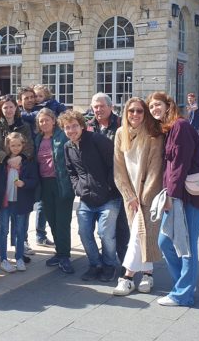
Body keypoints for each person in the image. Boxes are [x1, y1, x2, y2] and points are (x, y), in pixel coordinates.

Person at [148, 91, 199, 307]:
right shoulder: (170, 128)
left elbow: (179, 166)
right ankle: (184, 285)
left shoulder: (180, 126)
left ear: (168, 105)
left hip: (189, 196)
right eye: (151, 107)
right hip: (179, 194)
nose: (154, 109)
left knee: (187, 246)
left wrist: (171, 197)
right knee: (165, 242)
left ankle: (182, 294)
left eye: (157, 105)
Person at [111, 97, 165, 296]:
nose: (135, 115)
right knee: (142, 235)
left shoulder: (154, 135)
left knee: (138, 233)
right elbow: (119, 168)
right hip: (130, 195)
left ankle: (126, 277)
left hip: (149, 195)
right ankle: (148, 274)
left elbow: (155, 169)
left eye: (140, 111)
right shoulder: (120, 134)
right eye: (131, 111)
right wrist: (128, 195)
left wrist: (144, 198)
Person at [61, 110, 122, 283]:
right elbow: (71, 171)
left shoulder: (97, 140)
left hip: (109, 197)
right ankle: (95, 264)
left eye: (74, 126)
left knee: (105, 234)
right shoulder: (68, 147)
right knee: (84, 233)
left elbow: (115, 164)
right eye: (67, 127)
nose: (71, 130)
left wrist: (109, 187)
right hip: (86, 198)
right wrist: (78, 188)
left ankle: (110, 265)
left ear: (82, 126)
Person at [0, 95, 35, 267]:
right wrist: (7, 159)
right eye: (5, 107)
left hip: (19, 172)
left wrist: (19, 157)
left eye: (11, 107)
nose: (8, 110)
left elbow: (29, 147)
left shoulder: (24, 126)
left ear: (16, 108)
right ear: (0, 108)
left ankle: (18, 250)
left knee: (18, 216)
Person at [84, 92, 129, 276]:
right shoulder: (88, 127)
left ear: (111, 107)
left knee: (121, 228)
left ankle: (126, 264)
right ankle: (101, 263)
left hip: (118, 185)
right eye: (95, 106)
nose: (98, 109)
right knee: (97, 230)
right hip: (95, 186)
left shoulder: (121, 125)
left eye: (102, 106)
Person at [0, 132, 39, 273]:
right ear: (8, 146)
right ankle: (4, 259)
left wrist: (24, 183)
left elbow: (35, 180)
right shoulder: (2, 163)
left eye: (18, 145)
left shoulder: (28, 162)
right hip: (5, 203)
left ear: (23, 145)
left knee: (20, 231)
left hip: (21, 203)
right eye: (12, 145)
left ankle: (19, 258)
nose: (15, 148)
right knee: (3, 230)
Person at [34, 108, 76, 274]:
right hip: (45, 184)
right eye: (41, 121)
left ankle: (65, 255)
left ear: (53, 120)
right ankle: (59, 252)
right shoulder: (37, 139)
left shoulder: (62, 136)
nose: (44, 123)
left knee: (63, 221)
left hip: (62, 183)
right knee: (51, 219)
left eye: (47, 120)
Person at [19, 86, 55, 248]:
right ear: (20, 101)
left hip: (39, 162)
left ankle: (40, 235)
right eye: (26, 98)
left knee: (42, 202)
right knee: (25, 204)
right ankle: (23, 239)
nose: (31, 100)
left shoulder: (41, 112)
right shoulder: (20, 115)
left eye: (33, 97)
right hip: (24, 163)